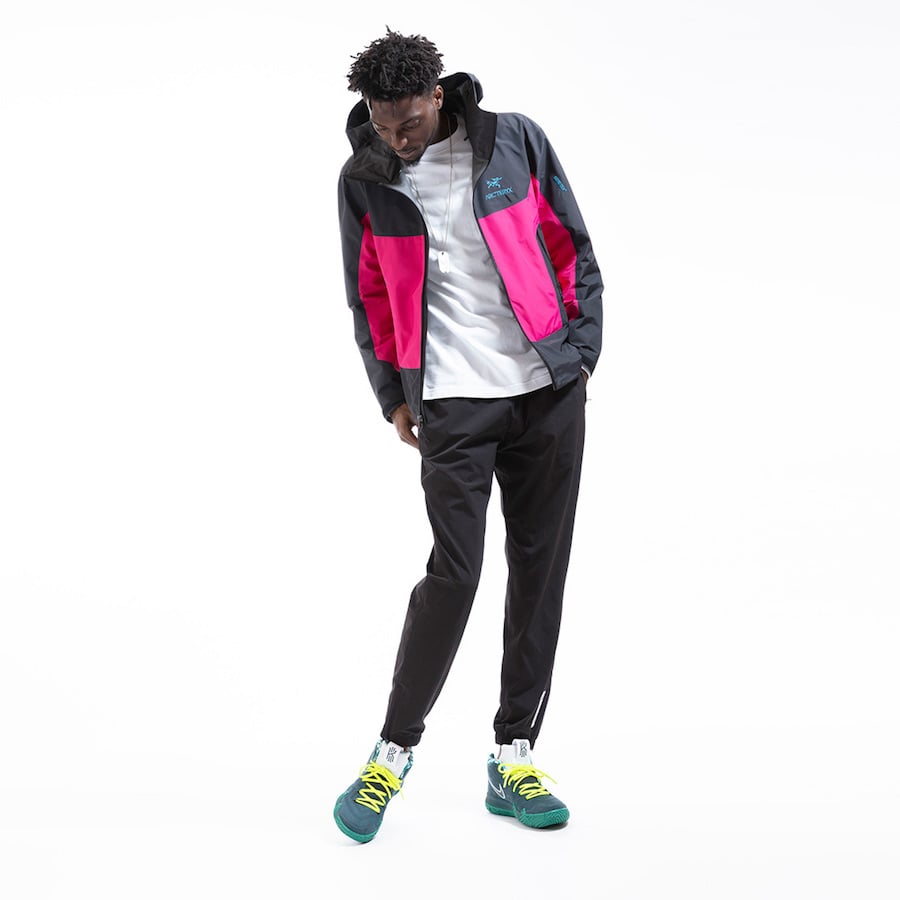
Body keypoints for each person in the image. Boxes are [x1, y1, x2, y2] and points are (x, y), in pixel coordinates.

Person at [334, 29, 603, 843]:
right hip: (451, 402)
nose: (397, 138)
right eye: (383, 125)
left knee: (540, 571)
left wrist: (579, 355)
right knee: (454, 573)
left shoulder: (514, 140)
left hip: (545, 392)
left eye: (409, 122)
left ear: (438, 94)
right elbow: (367, 293)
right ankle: (391, 754)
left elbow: (569, 242)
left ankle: (514, 755)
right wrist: (393, 394)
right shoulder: (365, 179)